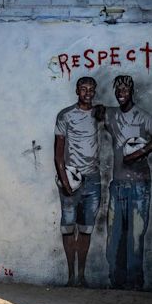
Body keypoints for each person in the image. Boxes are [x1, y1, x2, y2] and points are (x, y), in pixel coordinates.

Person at [104, 75, 152, 290]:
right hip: (118, 184)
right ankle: (116, 283)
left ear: (132, 92)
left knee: (135, 237)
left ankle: (134, 286)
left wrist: (139, 152)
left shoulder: (142, 116)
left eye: (125, 89)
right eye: (118, 89)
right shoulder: (110, 115)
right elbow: (93, 113)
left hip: (140, 185)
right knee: (114, 237)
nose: (121, 93)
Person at [54, 77, 102, 287]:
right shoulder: (65, 115)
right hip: (71, 179)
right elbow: (57, 155)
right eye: (83, 89)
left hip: (93, 180)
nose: (87, 93)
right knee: (68, 228)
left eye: (91, 89)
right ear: (77, 91)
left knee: (85, 229)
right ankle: (70, 275)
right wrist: (66, 183)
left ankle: (81, 276)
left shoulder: (100, 114)